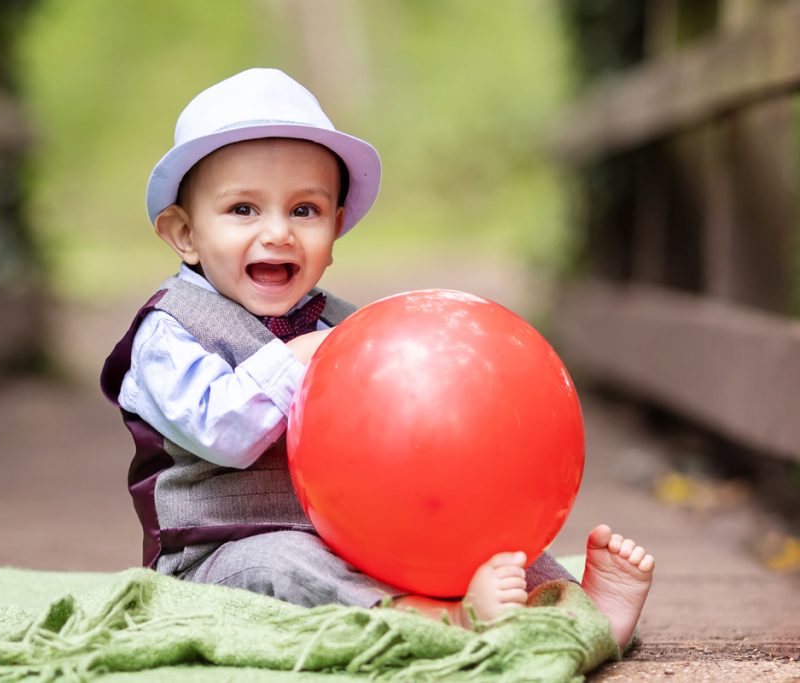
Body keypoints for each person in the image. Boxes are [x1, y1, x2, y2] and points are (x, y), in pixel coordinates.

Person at [101, 67, 653, 649]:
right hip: (219, 554)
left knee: (490, 548)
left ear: (336, 228)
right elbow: (221, 433)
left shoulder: (343, 326)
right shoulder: (170, 332)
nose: (278, 233)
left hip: (355, 535)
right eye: (243, 209)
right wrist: (295, 359)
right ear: (185, 234)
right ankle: (444, 620)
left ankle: (585, 614)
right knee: (285, 563)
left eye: (305, 211)